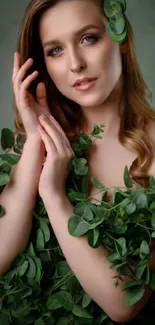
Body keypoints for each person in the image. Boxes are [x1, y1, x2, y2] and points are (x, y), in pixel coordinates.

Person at [0, 0, 155, 322]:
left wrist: (55, 197)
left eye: (88, 38)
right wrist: (34, 142)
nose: (75, 65)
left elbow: (123, 304)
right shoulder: (31, 143)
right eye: (55, 50)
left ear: (121, 39)